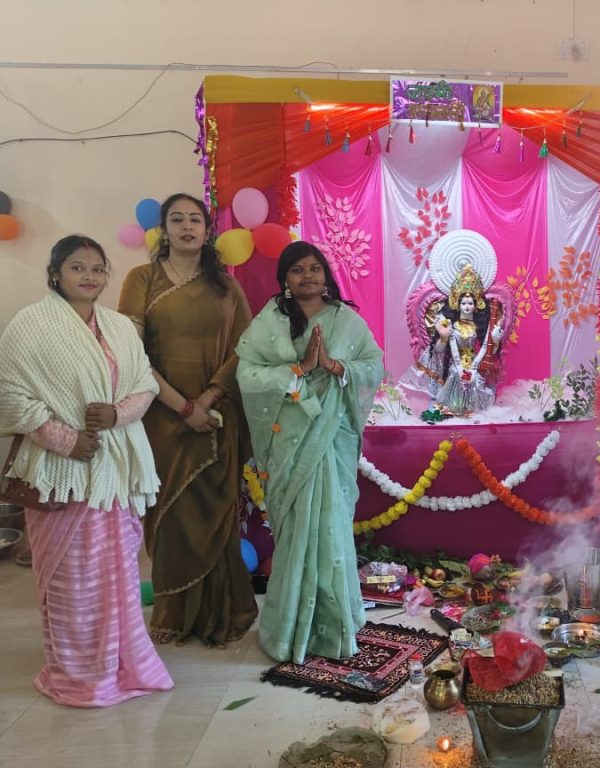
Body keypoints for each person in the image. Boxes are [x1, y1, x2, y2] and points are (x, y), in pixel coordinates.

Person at [0, 235, 173, 706]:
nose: (90, 276)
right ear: (56, 273)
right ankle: (80, 676)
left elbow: (144, 384)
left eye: (98, 268)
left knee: (118, 577)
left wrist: (117, 415)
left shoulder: (118, 327)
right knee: (71, 583)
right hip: (61, 472)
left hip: (115, 471)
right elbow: (9, 395)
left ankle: (123, 664)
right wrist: (66, 439)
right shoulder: (29, 324)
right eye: (78, 267)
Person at [118, 193, 257, 648]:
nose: (186, 227)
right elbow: (130, 352)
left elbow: (245, 348)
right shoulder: (142, 279)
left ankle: (221, 612)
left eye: (194, 219)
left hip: (216, 416)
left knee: (215, 513)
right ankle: (174, 614)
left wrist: (209, 398)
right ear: (164, 230)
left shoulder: (226, 286)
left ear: (207, 230)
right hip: (161, 417)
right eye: (176, 220)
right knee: (170, 515)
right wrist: (182, 407)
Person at [236, 242, 383, 663]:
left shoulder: (346, 321)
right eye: (297, 270)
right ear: (285, 278)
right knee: (297, 527)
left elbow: (374, 365)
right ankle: (289, 628)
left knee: (331, 525)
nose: (307, 276)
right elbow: (247, 373)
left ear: (326, 274)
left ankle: (336, 622)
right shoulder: (270, 320)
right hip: (289, 439)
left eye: (314, 268)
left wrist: (335, 366)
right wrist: (297, 370)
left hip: (330, 438)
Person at [410, 265, 503, 416]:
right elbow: (442, 350)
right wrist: (444, 338)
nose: (467, 307)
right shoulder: (451, 325)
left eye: (470, 303)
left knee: (476, 380)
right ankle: (454, 408)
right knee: (455, 374)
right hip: (455, 363)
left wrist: (496, 341)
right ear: (458, 305)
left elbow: (487, 349)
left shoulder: (480, 327)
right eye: (464, 303)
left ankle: (472, 410)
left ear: (476, 306)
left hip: (474, 362)